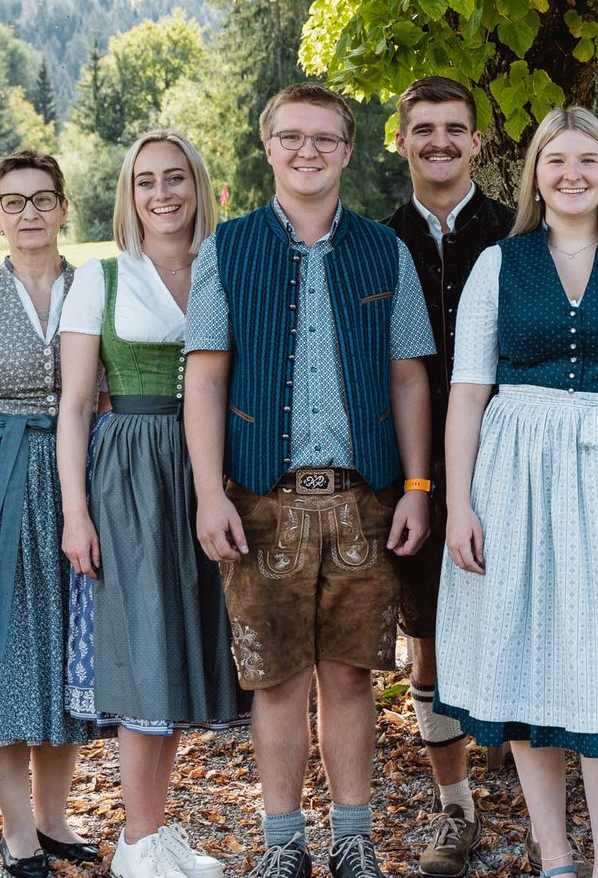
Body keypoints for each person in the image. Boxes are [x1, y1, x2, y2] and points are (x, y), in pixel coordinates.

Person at [183, 82, 435, 878]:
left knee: (352, 675)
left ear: (349, 150)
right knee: (278, 677)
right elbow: (207, 379)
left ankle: (353, 839)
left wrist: (419, 488)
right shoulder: (227, 248)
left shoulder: (383, 251)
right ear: (268, 147)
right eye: (292, 138)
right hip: (261, 494)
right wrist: (209, 490)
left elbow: (408, 379)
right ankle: (284, 843)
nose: (309, 152)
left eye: (326, 139)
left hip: (365, 498)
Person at [434, 105, 598, 878]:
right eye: (557, 160)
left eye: (588, 160)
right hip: (513, 471)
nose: (572, 174)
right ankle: (553, 855)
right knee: (522, 652)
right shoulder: (500, 264)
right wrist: (459, 504)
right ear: (534, 175)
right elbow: (467, 392)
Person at [57, 130, 248, 878]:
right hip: (131, 471)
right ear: (128, 197)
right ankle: (136, 841)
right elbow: (75, 406)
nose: (162, 194)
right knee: (142, 653)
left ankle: (153, 829)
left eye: (175, 179)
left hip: (211, 469)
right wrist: (76, 512)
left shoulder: (224, 268)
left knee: (176, 652)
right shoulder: (101, 279)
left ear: (199, 186)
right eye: (146, 183)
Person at [0, 150, 97, 877]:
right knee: (1, 655)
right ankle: (17, 830)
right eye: (12, 202)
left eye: (41, 199)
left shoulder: (92, 286)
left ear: (64, 206)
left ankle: (55, 817)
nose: (29, 213)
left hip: (80, 483)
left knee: (64, 654)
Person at [380, 76, 516, 877]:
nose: (438, 140)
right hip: (414, 474)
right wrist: (410, 483)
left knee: (525, 626)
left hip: (512, 459)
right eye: (422, 127)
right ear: (401, 141)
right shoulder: (376, 238)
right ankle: (456, 808)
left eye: (454, 128)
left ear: (476, 141)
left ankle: (541, 809)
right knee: (427, 639)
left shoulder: (517, 230)